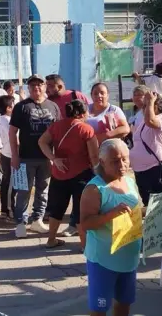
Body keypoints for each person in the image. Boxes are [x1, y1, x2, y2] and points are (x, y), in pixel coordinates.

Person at [80, 139, 142, 316]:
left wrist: (159, 209)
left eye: (125, 159)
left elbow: (136, 211)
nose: (121, 165)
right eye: (115, 161)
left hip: (128, 258)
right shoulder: (94, 188)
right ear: (102, 162)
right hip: (103, 260)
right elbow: (85, 223)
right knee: (100, 310)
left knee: (124, 306)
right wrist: (110, 215)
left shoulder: (129, 180)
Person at [38, 99, 99, 249]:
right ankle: (85, 246)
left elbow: (42, 142)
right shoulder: (86, 129)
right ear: (83, 113)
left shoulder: (56, 126)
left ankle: (51, 239)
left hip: (59, 172)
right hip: (82, 174)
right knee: (81, 210)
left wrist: (54, 159)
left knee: (57, 208)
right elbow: (94, 156)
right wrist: (98, 171)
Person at [10, 74, 61, 238]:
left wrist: (55, 156)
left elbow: (58, 132)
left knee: (43, 190)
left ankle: (37, 219)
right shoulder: (21, 107)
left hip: (46, 158)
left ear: (45, 87)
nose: (36, 88)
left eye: (39, 85)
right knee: (23, 190)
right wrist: (14, 155)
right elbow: (12, 133)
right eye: (32, 86)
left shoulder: (53, 106)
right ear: (28, 88)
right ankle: (20, 222)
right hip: (25, 157)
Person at [130, 90, 162, 206]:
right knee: (149, 207)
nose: (144, 107)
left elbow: (150, 121)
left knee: (161, 208)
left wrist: (150, 101)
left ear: (156, 106)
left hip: (156, 171)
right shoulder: (143, 121)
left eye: (147, 105)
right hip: (141, 173)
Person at [0, 95, 16, 219]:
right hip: (9, 153)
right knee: (10, 182)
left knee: (9, 181)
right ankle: (8, 209)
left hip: (9, 153)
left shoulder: (5, 119)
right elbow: (14, 136)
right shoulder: (6, 120)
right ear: (9, 108)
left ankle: (7, 208)